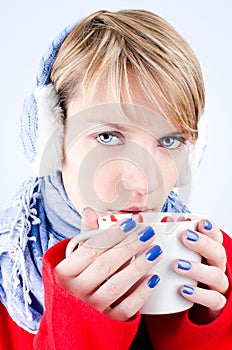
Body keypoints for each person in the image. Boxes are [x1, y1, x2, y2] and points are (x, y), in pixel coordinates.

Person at [0, 9, 231, 350]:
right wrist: (73, 332)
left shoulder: (217, 268)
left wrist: (209, 330)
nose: (142, 182)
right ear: (51, 137)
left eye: (169, 141)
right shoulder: (9, 280)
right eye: (108, 136)